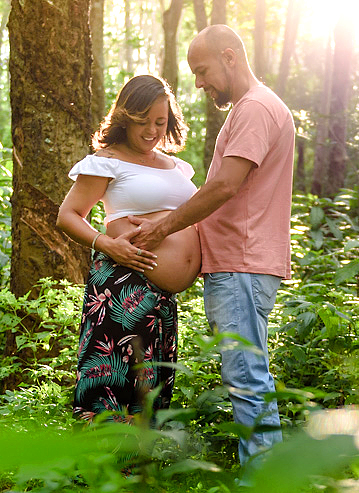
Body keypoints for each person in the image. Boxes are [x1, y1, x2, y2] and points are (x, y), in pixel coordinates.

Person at [130, 25, 294, 469]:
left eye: (202, 71)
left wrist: (163, 227)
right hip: (240, 263)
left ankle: (260, 490)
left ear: (230, 56)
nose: (200, 84)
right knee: (247, 375)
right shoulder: (251, 108)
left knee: (245, 378)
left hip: (241, 264)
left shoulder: (256, 108)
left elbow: (223, 186)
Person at [56, 75, 202, 423]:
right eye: (143, 121)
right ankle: (101, 471)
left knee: (148, 393)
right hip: (124, 288)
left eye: (160, 122)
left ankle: (139, 474)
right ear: (125, 117)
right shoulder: (107, 161)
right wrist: (107, 244)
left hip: (161, 300)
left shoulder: (176, 166)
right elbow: (67, 215)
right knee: (111, 384)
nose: (152, 130)